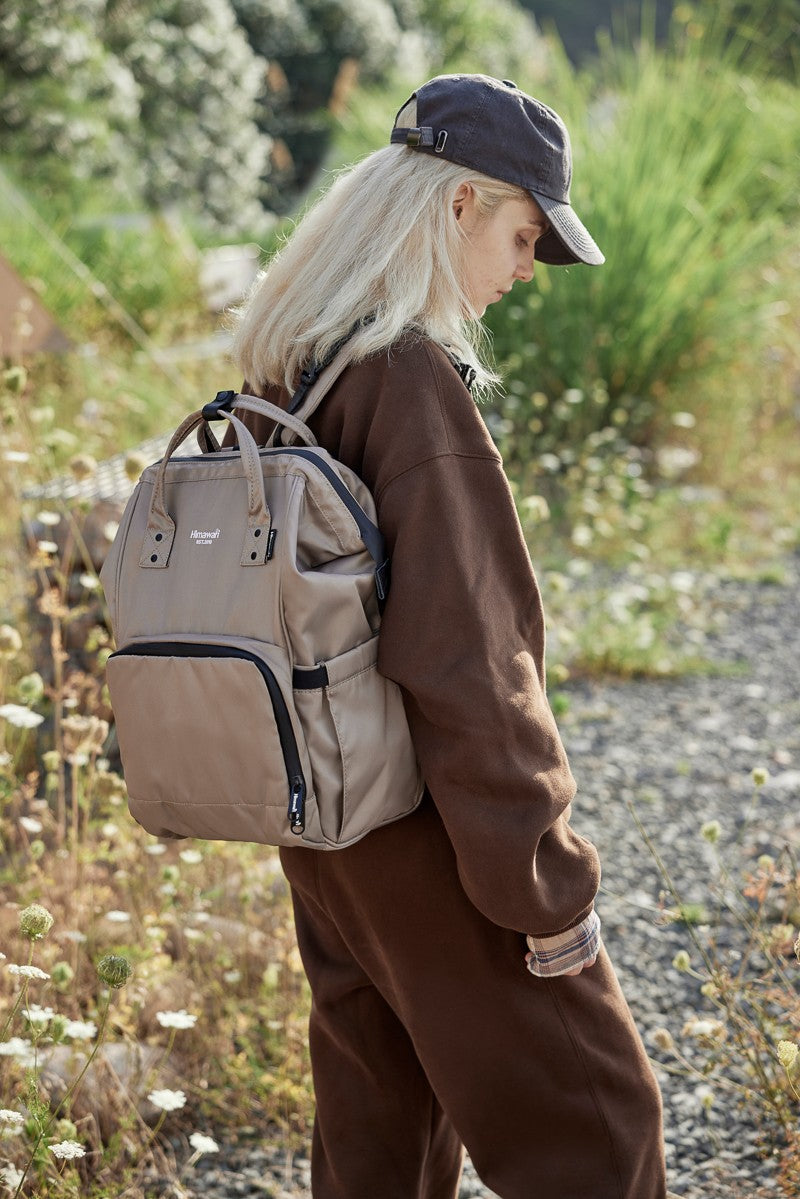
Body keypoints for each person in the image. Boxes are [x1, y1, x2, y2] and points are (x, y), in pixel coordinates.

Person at [229, 73, 667, 1199]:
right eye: (525, 235)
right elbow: (466, 662)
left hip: (323, 822)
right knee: (599, 1124)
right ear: (457, 205)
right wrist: (542, 888)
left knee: (381, 1137)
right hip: (428, 832)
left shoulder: (294, 365)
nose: (525, 272)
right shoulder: (408, 379)